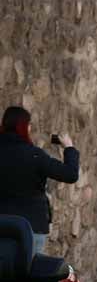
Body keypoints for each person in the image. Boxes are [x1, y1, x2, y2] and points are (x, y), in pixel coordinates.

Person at [0, 106, 79, 254]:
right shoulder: (34, 155)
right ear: (24, 127)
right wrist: (69, 147)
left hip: (2, 225)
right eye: (29, 125)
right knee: (31, 273)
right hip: (31, 227)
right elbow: (70, 174)